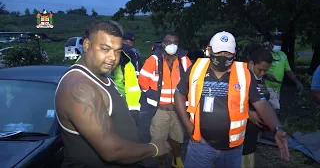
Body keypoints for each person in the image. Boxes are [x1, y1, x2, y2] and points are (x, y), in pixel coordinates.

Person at [55, 20, 170, 168]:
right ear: (87, 45)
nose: (113, 58)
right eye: (105, 49)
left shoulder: (101, 75)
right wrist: (154, 148)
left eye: (117, 51)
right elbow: (112, 151)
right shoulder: (80, 87)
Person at [174, 31, 290, 168]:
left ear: (234, 53)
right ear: (209, 50)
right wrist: (186, 124)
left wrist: (276, 128)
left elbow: (261, 103)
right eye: (219, 53)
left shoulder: (244, 73)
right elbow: (179, 94)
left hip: (232, 150)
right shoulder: (196, 68)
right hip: (201, 145)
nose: (223, 57)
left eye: (228, 53)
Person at [138, 32, 192, 168]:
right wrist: (151, 95)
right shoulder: (154, 60)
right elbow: (142, 80)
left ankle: (177, 159)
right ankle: (162, 162)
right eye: (168, 42)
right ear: (163, 44)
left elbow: (192, 80)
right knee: (158, 139)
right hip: (160, 110)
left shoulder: (184, 61)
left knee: (178, 138)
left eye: (175, 42)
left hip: (179, 110)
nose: (171, 45)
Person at [241, 46, 273, 168]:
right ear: (251, 63)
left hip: (252, 132)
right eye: (260, 70)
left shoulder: (257, 77)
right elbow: (225, 101)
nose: (263, 73)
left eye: (265, 71)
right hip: (238, 132)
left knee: (248, 155)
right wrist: (248, 113)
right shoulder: (239, 77)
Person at [264, 34, 303, 115]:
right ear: (270, 43)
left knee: (271, 109)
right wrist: (266, 75)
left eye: (280, 44)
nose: (278, 46)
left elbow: (288, 70)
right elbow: (257, 69)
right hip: (266, 86)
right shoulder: (265, 54)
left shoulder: (282, 55)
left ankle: (268, 125)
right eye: (276, 43)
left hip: (277, 88)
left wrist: (297, 82)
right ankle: (274, 125)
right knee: (275, 108)